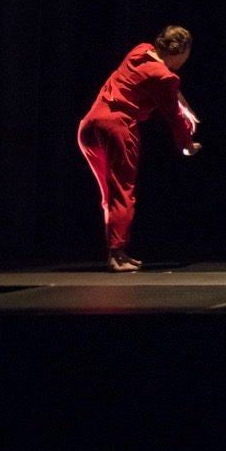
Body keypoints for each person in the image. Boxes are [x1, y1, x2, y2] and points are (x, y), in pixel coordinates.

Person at [77, 26, 203, 272]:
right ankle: (117, 254)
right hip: (117, 127)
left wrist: (186, 106)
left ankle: (117, 251)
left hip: (89, 125)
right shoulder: (164, 77)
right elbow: (173, 116)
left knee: (109, 193)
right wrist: (187, 144)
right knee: (122, 190)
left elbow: (171, 90)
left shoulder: (140, 50)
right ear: (181, 51)